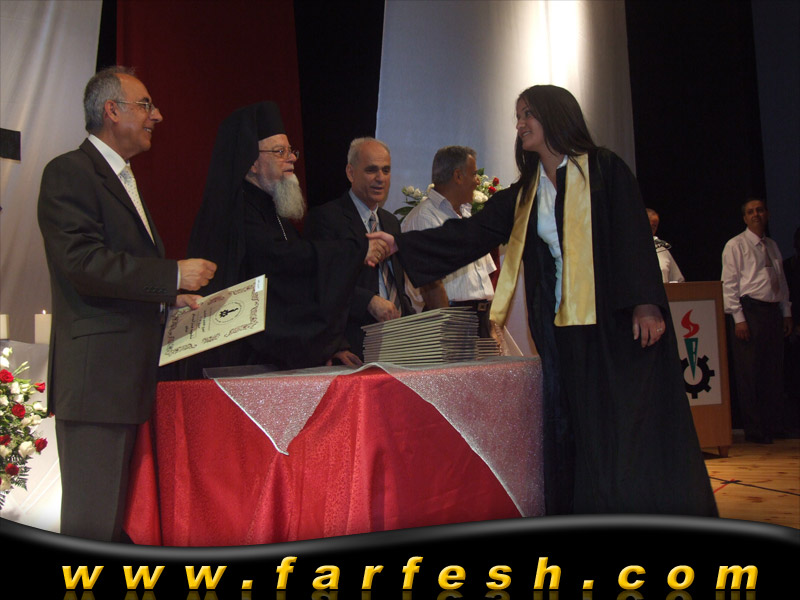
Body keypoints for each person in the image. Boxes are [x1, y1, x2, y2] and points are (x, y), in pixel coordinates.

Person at [379, 85, 717, 516]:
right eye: (518, 116)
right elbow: (470, 235)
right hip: (561, 330)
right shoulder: (527, 193)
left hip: (614, 326)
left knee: (624, 424)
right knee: (575, 426)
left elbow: (632, 236)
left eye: (528, 114)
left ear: (555, 116)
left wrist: (645, 302)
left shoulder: (604, 170)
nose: (520, 124)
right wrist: (401, 245)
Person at [37, 66, 217, 541]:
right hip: (97, 384)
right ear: (112, 111)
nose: (157, 116)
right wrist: (171, 274)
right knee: (91, 526)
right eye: (146, 105)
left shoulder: (121, 177)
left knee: (116, 525)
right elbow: (82, 263)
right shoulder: (69, 172)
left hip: (126, 382)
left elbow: (117, 274)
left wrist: (170, 298)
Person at [182, 104, 390, 377]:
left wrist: (331, 344)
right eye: (280, 152)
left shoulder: (274, 213)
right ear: (252, 162)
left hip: (268, 357)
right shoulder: (235, 212)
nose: (292, 158)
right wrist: (356, 250)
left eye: (291, 151)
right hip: (235, 358)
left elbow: (299, 283)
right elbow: (281, 261)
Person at [304, 137, 413, 360]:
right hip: (353, 345)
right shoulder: (326, 219)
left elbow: (396, 284)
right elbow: (320, 284)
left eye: (386, 170)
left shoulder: (391, 222)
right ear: (351, 173)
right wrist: (368, 301)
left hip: (398, 342)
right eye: (371, 170)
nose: (380, 178)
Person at [401, 146, 496, 338]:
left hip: (479, 322)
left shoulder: (467, 215)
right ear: (458, 176)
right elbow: (431, 288)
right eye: (474, 174)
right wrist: (450, 334)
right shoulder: (424, 217)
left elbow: (485, 278)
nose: (478, 181)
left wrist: (489, 326)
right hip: (450, 325)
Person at [721, 198, 793, 444]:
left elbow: (781, 281)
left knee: (772, 370)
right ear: (744, 218)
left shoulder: (771, 245)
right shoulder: (736, 245)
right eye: (751, 212)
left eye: (760, 210)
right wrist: (738, 318)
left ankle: (774, 424)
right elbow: (729, 284)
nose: (756, 215)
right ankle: (755, 428)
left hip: (772, 311)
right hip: (750, 311)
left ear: (767, 214)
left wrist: (786, 311)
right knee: (749, 372)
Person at [647, 208, 685, 283]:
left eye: (654, 227)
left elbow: (678, 281)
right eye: (649, 226)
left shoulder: (661, 250)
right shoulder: (628, 249)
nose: (651, 230)